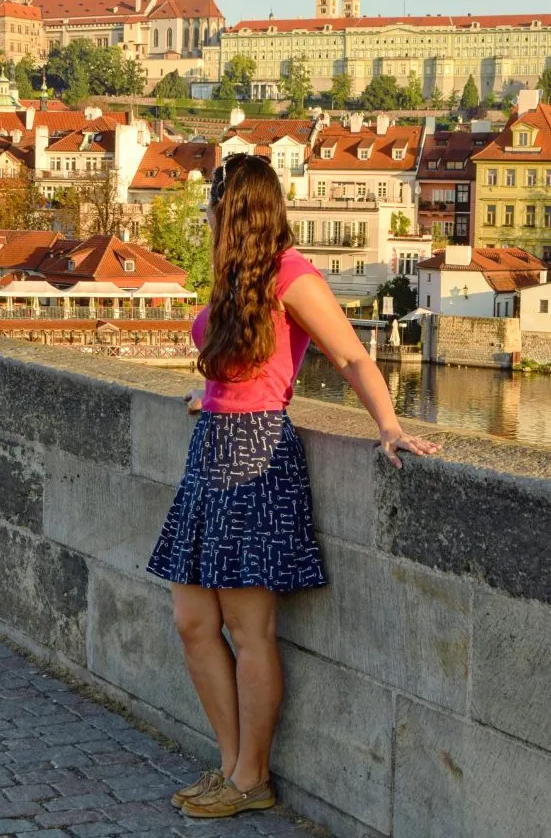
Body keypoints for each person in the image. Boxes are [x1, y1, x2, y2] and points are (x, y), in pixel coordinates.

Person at [147, 153, 440, 820]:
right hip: (211, 447)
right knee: (193, 621)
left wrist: (390, 426)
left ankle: (251, 777)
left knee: (250, 630)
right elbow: (237, 365)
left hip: (255, 457)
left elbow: (350, 356)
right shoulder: (235, 278)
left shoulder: (292, 275)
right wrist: (210, 394)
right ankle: (229, 765)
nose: (206, 220)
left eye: (213, 209)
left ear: (235, 211)